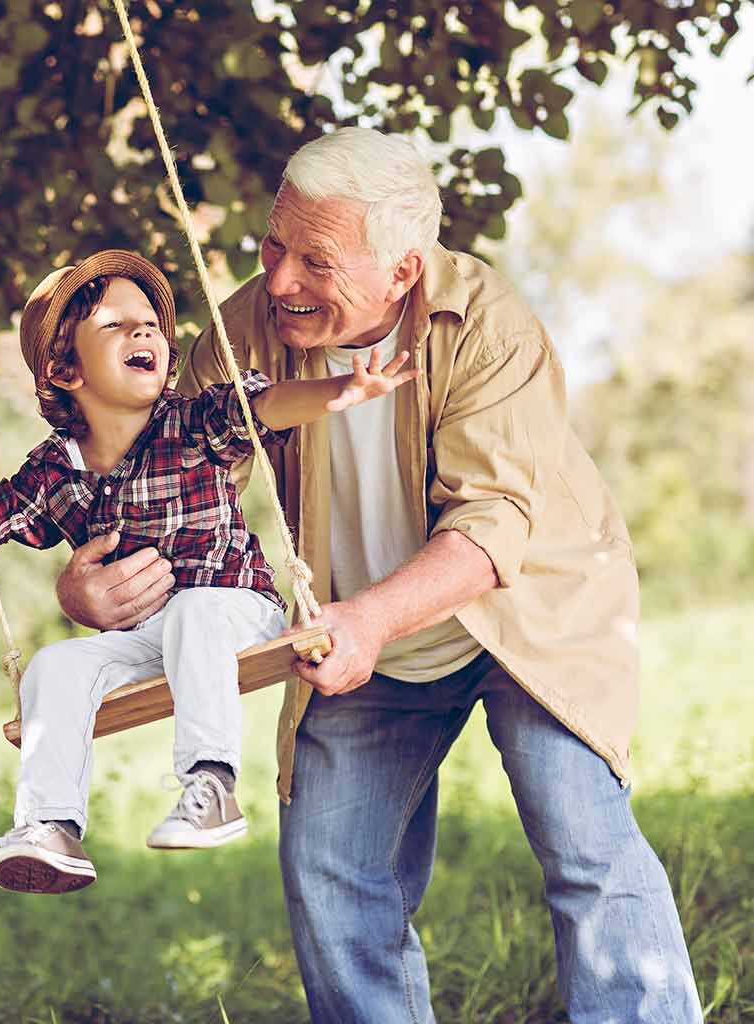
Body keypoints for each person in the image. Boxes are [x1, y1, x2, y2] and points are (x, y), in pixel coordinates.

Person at [55, 134, 703, 1020]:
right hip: (357, 632)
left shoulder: (486, 323)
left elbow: (490, 527)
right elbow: (155, 482)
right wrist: (89, 587)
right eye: (273, 247)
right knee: (329, 869)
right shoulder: (245, 332)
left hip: (525, 611)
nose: (280, 282)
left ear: (402, 272)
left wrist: (369, 620)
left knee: (583, 837)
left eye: (315, 261)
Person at [0, 249, 416, 898]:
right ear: (65, 369)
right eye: (115, 326)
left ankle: (209, 786)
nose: (144, 333)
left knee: (196, 610)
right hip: (151, 637)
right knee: (55, 666)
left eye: (150, 325)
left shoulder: (194, 421)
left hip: (233, 612)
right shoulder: (54, 469)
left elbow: (275, 405)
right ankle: (49, 826)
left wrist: (342, 391)